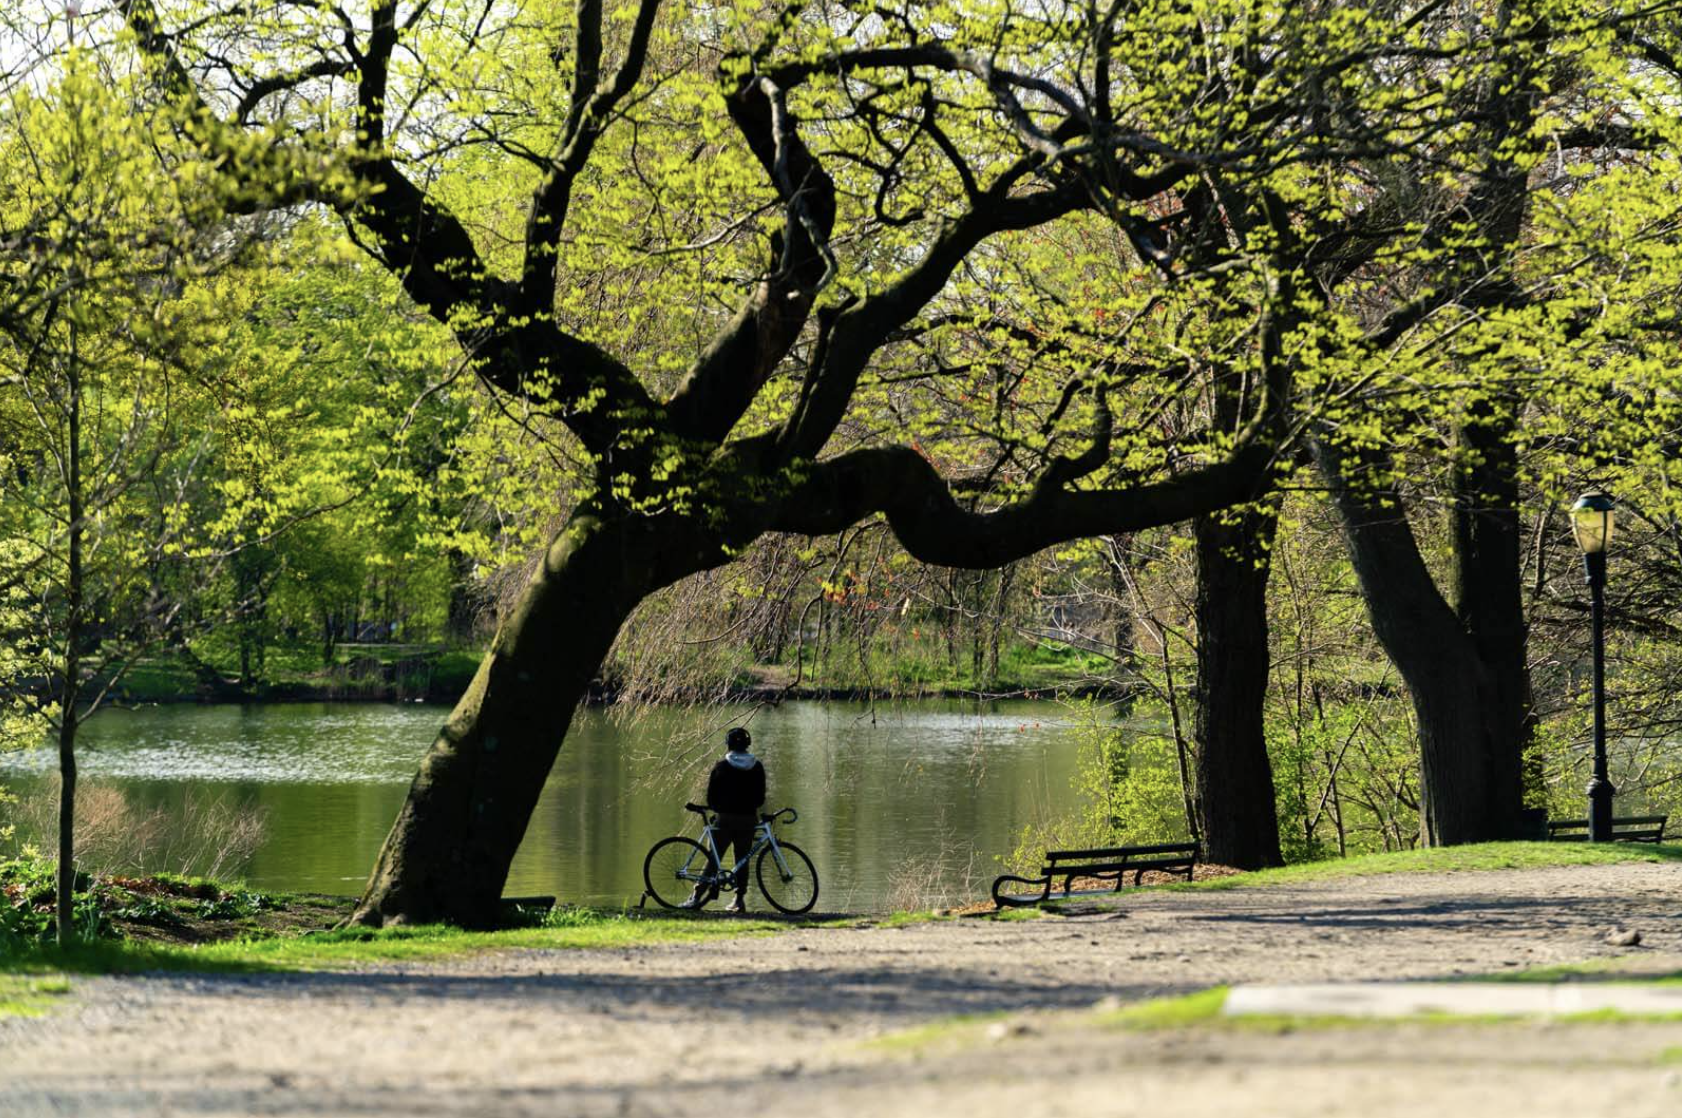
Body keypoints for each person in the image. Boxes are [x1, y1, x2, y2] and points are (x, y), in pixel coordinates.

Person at [703, 726, 766, 914]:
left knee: (713, 856)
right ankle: (739, 900)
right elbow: (760, 798)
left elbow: (711, 797)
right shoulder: (757, 766)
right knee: (742, 859)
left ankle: (697, 896)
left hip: (725, 818)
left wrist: (718, 810)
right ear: (748, 745)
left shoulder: (721, 766)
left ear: (728, 744)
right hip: (748, 819)